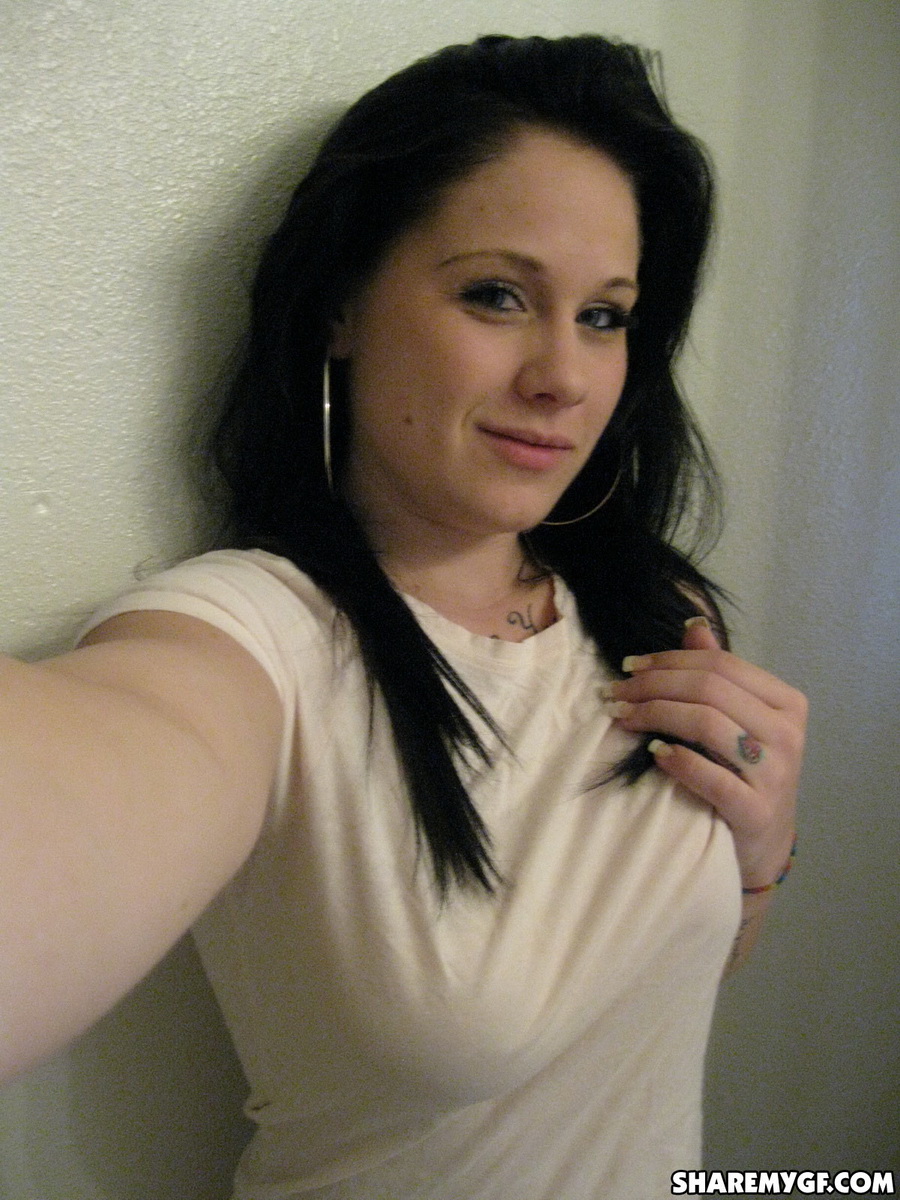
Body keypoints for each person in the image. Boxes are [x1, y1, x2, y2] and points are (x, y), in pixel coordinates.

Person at [0, 33, 806, 1200]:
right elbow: (95, 779)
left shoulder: (652, 610)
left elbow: (646, 997)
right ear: (342, 305)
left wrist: (762, 862)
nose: (565, 377)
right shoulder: (254, 637)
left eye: (604, 315)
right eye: (497, 295)